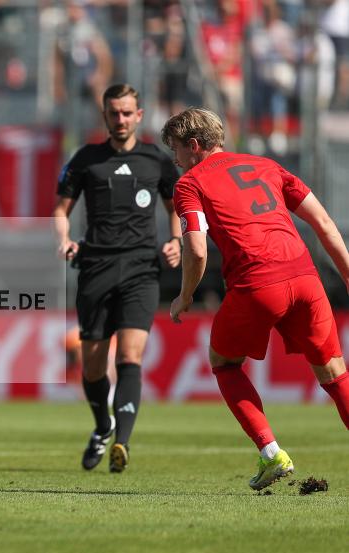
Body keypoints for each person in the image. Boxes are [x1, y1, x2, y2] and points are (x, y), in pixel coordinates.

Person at [163, 107, 349, 491]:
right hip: (305, 277)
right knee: (335, 375)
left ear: (194, 146)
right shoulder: (267, 166)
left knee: (224, 363)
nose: (176, 160)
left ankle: (271, 453)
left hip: (257, 283)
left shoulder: (189, 184)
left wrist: (184, 296)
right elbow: (324, 224)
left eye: (177, 150)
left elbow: (197, 251)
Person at [53, 84, 182, 473]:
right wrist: (63, 240)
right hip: (95, 268)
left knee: (130, 356)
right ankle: (103, 425)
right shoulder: (86, 159)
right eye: (114, 113)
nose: (121, 120)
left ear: (139, 115)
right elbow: (61, 208)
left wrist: (176, 239)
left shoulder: (156, 160)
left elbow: (177, 205)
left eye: (127, 113)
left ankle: (121, 442)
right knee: (92, 368)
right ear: (105, 115)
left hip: (142, 269)